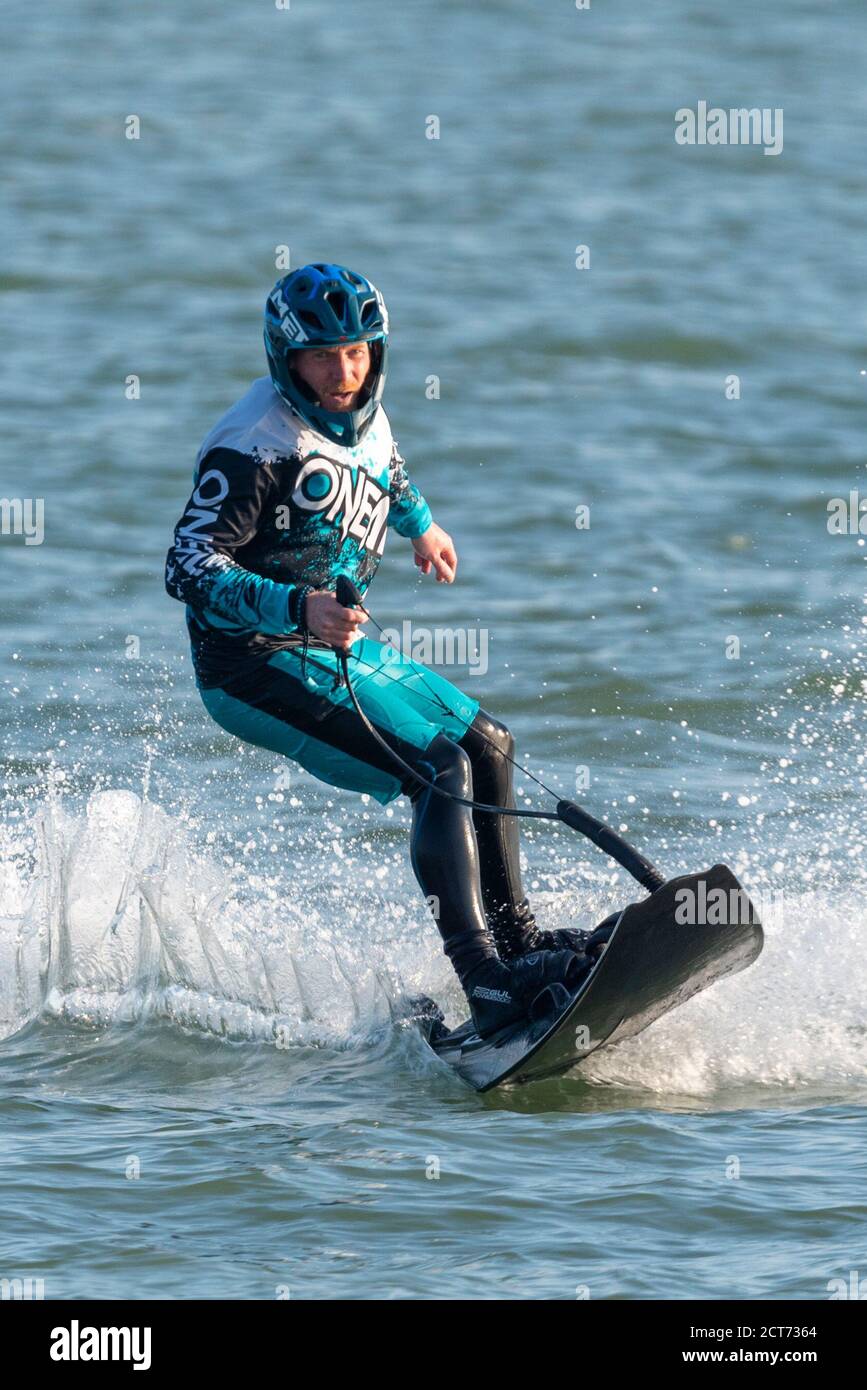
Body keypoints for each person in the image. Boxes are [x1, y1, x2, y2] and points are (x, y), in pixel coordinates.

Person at [165, 263, 605, 1037]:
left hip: (334, 641)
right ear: (285, 359)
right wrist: (295, 604)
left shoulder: (366, 410)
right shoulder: (251, 447)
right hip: (250, 664)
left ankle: (519, 944)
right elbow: (187, 566)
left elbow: (385, 471)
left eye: (359, 353)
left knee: (486, 742)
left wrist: (422, 526)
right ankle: (487, 980)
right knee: (439, 771)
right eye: (324, 357)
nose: (344, 374)